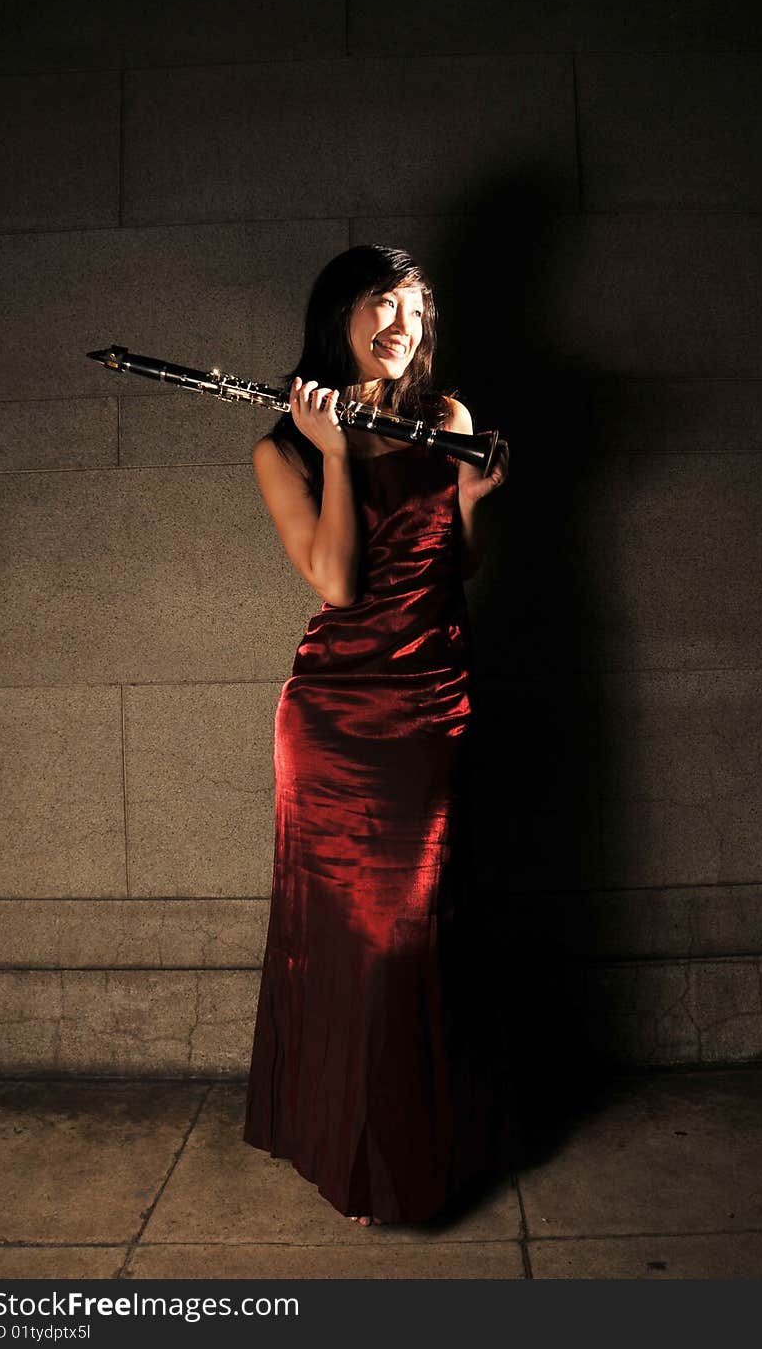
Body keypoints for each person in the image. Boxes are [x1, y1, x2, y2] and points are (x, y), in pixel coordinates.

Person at [242, 244, 514, 1227]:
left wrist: (474, 508)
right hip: (333, 716)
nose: (399, 321)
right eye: (378, 304)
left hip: (433, 702)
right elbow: (339, 585)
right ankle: (357, 1161)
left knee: (417, 935)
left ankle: (421, 1152)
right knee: (353, 944)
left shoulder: (446, 421)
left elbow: (453, 567)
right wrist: (335, 453)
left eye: (413, 306)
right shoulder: (281, 446)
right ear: (338, 317)